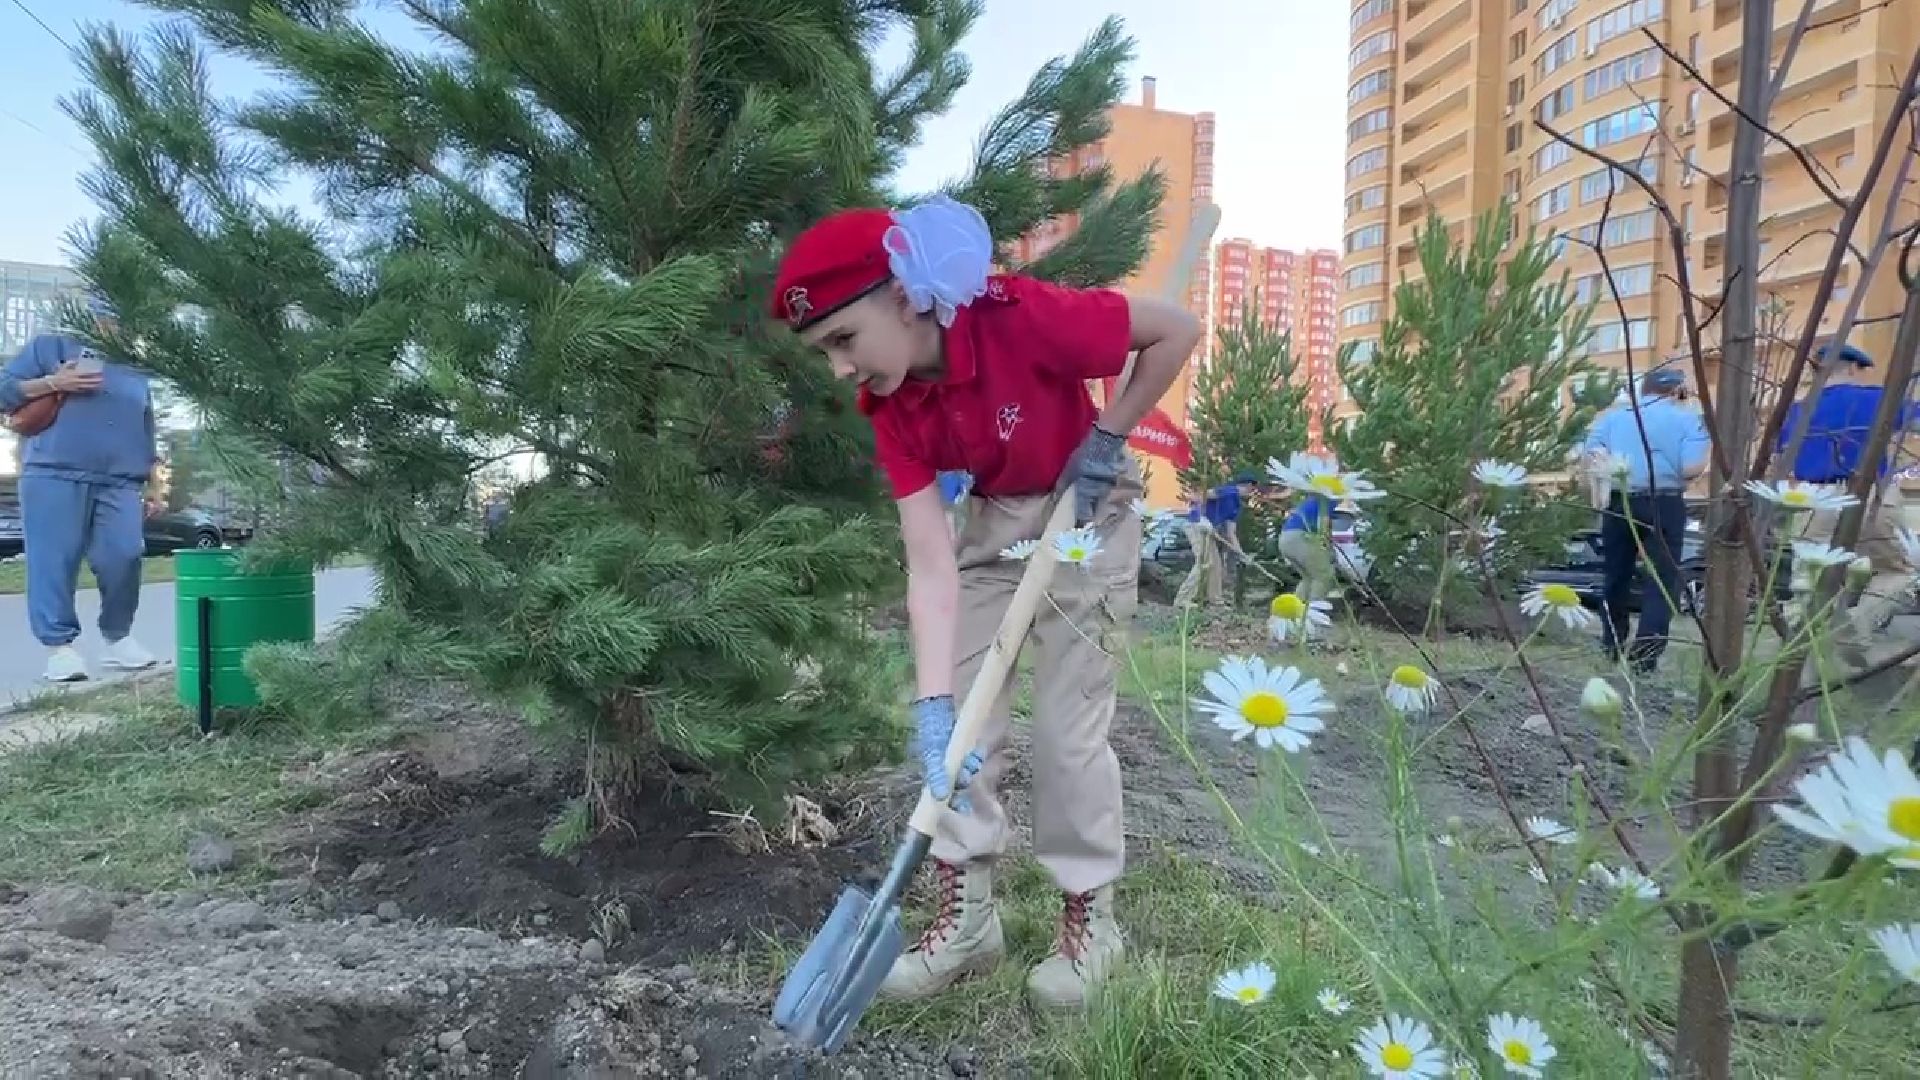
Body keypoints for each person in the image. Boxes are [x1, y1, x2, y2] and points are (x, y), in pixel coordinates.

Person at [770, 195, 1201, 1010]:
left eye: (842, 340)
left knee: (1067, 734)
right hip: (994, 528)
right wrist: (936, 707)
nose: (838, 368)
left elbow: (1175, 329)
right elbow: (931, 565)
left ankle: (1091, 920)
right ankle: (966, 923)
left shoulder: (1022, 318)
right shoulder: (893, 408)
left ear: (903, 296)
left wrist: (1111, 435)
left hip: (1090, 518)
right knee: (962, 728)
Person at [0, 292, 160, 682]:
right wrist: (56, 381)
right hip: (53, 472)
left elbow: (146, 423)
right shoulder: (49, 346)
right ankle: (60, 648)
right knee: (53, 560)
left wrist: (153, 480)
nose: (115, 325)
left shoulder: (134, 367)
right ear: (90, 315)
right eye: (108, 316)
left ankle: (117, 636)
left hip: (120, 480)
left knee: (126, 555)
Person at [1778, 341, 1918, 648]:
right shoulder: (1879, 399)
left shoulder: (1798, 410)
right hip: (1870, 494)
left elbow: (1783, 458)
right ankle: (1859, 623)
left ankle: (1795, 661)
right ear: (1854, 368)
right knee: (1895, 573)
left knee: (1809, 583)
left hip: (1813, 498)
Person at [1582, 367, 1709, 672]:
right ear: (1678, 391)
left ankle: (1612, 642)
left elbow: (1591, 455)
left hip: (1620, 499)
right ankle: (1645, 656)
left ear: (1643, 391)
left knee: (1616, 573)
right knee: (1661, 578)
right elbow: (1692, 468)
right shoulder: (1688, 419)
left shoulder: (1613, 418)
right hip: (1664, 501)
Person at [1277, 485, 1338, 601]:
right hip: (1301, 536)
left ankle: (1297, 613)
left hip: (1286, 538)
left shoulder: (1312, 499)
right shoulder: (1328, 498)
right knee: (1324, 576)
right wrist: (1325, 545)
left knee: (1308, 577)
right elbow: (1324, 522)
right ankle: (1314, 612)